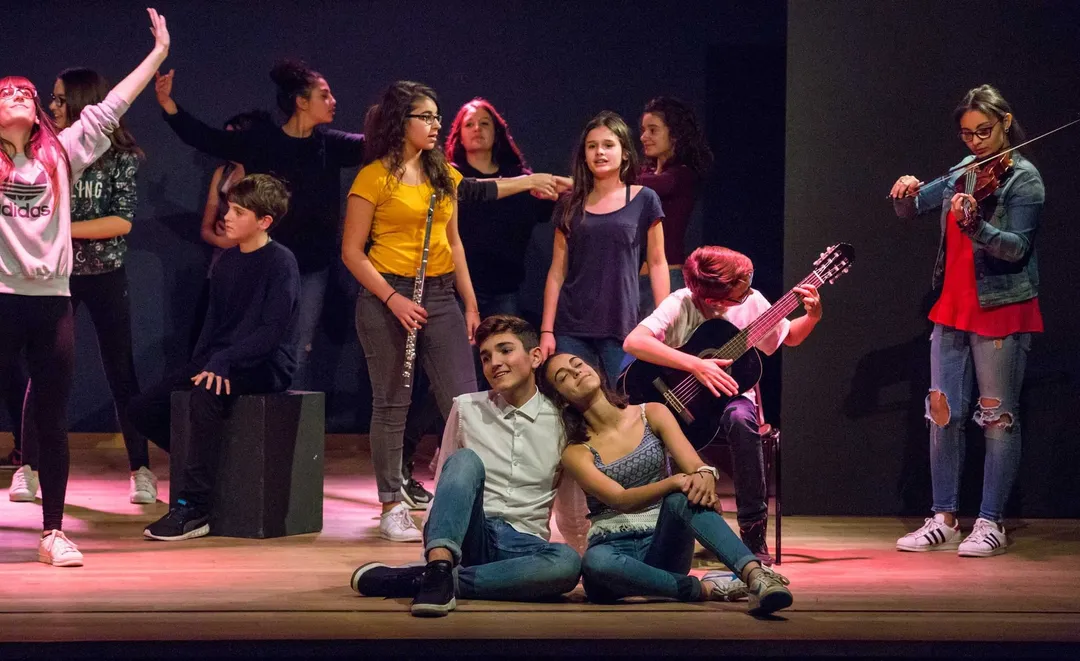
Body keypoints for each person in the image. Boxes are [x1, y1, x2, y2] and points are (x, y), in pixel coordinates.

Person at [0, 7, 171, 566]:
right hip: (3, 299)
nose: (20, 96)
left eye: (27, 93)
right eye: (8, 93)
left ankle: (52, 532)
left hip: (51, 303)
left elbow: (112, 106)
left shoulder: (62, 152)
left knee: (54, 419)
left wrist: (157, 54)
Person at [890, 85, 1043, 558]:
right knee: (943, 413)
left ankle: (991, 522)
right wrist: (905, 190)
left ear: (1005, 122)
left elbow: (1018, 248)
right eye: (967, 134)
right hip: (953, 305)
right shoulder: (963, 170)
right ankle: (944, 519)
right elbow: (913, 207)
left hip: (1000, 306)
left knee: (997, 419)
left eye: (984, 132)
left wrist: (978, 226)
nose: (976, 142)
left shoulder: (1025, 179)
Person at [351, 315, 587, 616]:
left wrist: (584, 558)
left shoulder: (562, 421)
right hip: (471, 535)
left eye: (505, 350)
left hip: (524, 546)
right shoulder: (466, 408)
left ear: (536, 357)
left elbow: (571, 504)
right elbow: (448, 482)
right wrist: (435, 548)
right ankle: (439, 567)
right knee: (464, 460)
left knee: (566, 564)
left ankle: (427, 580)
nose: (494, 363)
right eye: (486, 357)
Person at [539, 351, 793, 615]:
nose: (576, 372)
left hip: (664, 544)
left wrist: (705, 476)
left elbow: (695, 466)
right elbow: (620, 499)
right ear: (561, 399)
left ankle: (756, 576)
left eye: (578, 364)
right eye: (563, 377)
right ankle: (703, 589)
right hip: (614, 553)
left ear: (596, 370)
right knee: (594, 563)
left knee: (683, 498)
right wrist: (675, 481)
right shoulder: (576, 452)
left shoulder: (652, 413)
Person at [622, 245, 823, 564]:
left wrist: (812, 316)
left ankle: (752, 531)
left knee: (742, 419)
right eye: (741, 291)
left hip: (732, 398)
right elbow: (634, 342)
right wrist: (696, 365)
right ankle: (664, 533)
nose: (750, 292)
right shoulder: (680, 303)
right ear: (716, 300)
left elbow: (789, 337)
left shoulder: (753, 301)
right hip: (678, 402)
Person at [341, 81, 479, 542]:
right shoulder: (373, 177)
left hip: (439, 295)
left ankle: (462, 498)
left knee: (464, 404)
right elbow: (352, 252)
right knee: (392, 403)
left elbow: (454, 243)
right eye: (426, 116)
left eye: (438, 116)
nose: (437, 124)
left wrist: (470, 302)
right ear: (402, 122)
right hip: (388, 294)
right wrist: (392, 298)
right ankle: (391, 505)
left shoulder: (445, 176)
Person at [129, 174, 299, 541]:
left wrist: (225, 361)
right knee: (142, 407)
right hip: (222, 358)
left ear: (264, 221)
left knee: (207, 393)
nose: (227, 216)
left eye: (239, 211)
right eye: (229, 208)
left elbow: (271, 333)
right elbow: (212, 326)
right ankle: (209, 464)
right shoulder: (226, 262)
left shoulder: (281, 262)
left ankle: (195, 507)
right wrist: (203, 362)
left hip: (265, 364)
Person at [539, 111, 668, 383]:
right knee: (574, 402)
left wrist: (663, 321)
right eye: (592, 146)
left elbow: (657, 263)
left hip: (620, 324)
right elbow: (557, 271)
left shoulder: (645, 199)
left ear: (625, 153)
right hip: (572, 327)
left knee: (622, 397)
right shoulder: (570, 204)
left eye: (608, 145)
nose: (599, 152)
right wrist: (547, 330)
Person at [189, 109, 273, 351]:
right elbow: (206, 227)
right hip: (220, 261)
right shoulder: (223, 172)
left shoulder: (261, 176)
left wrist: (234, 239)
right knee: (204, 331)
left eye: (231, 138)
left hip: (251, 263)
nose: (225, 144)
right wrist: (221, 241)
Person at [637, 96, 714, 318]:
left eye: (653, 130)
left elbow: (640, 186)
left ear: (675, 135)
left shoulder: (682, 175)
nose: (643, 137)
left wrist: (579, 183)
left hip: (668, 279)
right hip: (634, 281)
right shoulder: (644, 174)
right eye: (643, 130)